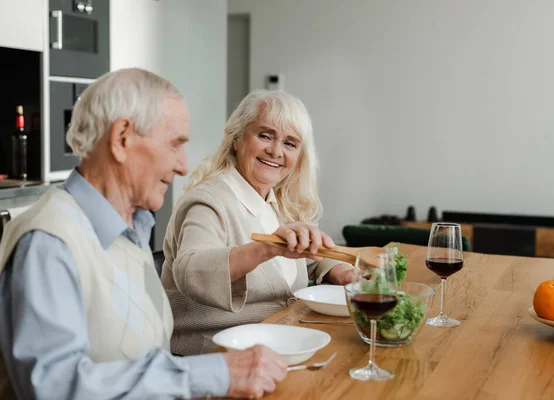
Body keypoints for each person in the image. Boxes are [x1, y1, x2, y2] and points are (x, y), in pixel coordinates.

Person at [0, 68, 286, 399]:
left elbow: (140, 357)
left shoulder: (131, 230)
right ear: (122, 139)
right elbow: (55, 387)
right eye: (175, 145)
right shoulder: (49, 243)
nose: (183, 165)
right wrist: (213, 374)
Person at [161, 90, 354, 355]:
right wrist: (265, 249)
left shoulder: (279, 201)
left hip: (274, 351)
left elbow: (298, 256)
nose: (275, 151)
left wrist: (336, 270)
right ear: (237, 139)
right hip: (210, 359)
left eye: (290, 143)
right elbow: (190, 269)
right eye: (265, 135)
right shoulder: (208, 201)